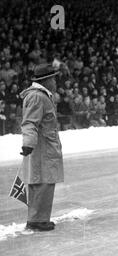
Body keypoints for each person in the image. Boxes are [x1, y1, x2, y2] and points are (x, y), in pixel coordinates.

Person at [20, 63, 64, 231]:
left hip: (45, 146)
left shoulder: (42, 95)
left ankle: (38, 218)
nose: (55, 82)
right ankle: (37, 220)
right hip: (42, 148)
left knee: (44, 181)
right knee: (42, 182)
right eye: (53, 79)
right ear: (46, 81)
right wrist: (28, 143)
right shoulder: (38, 97)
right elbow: (30, 122)